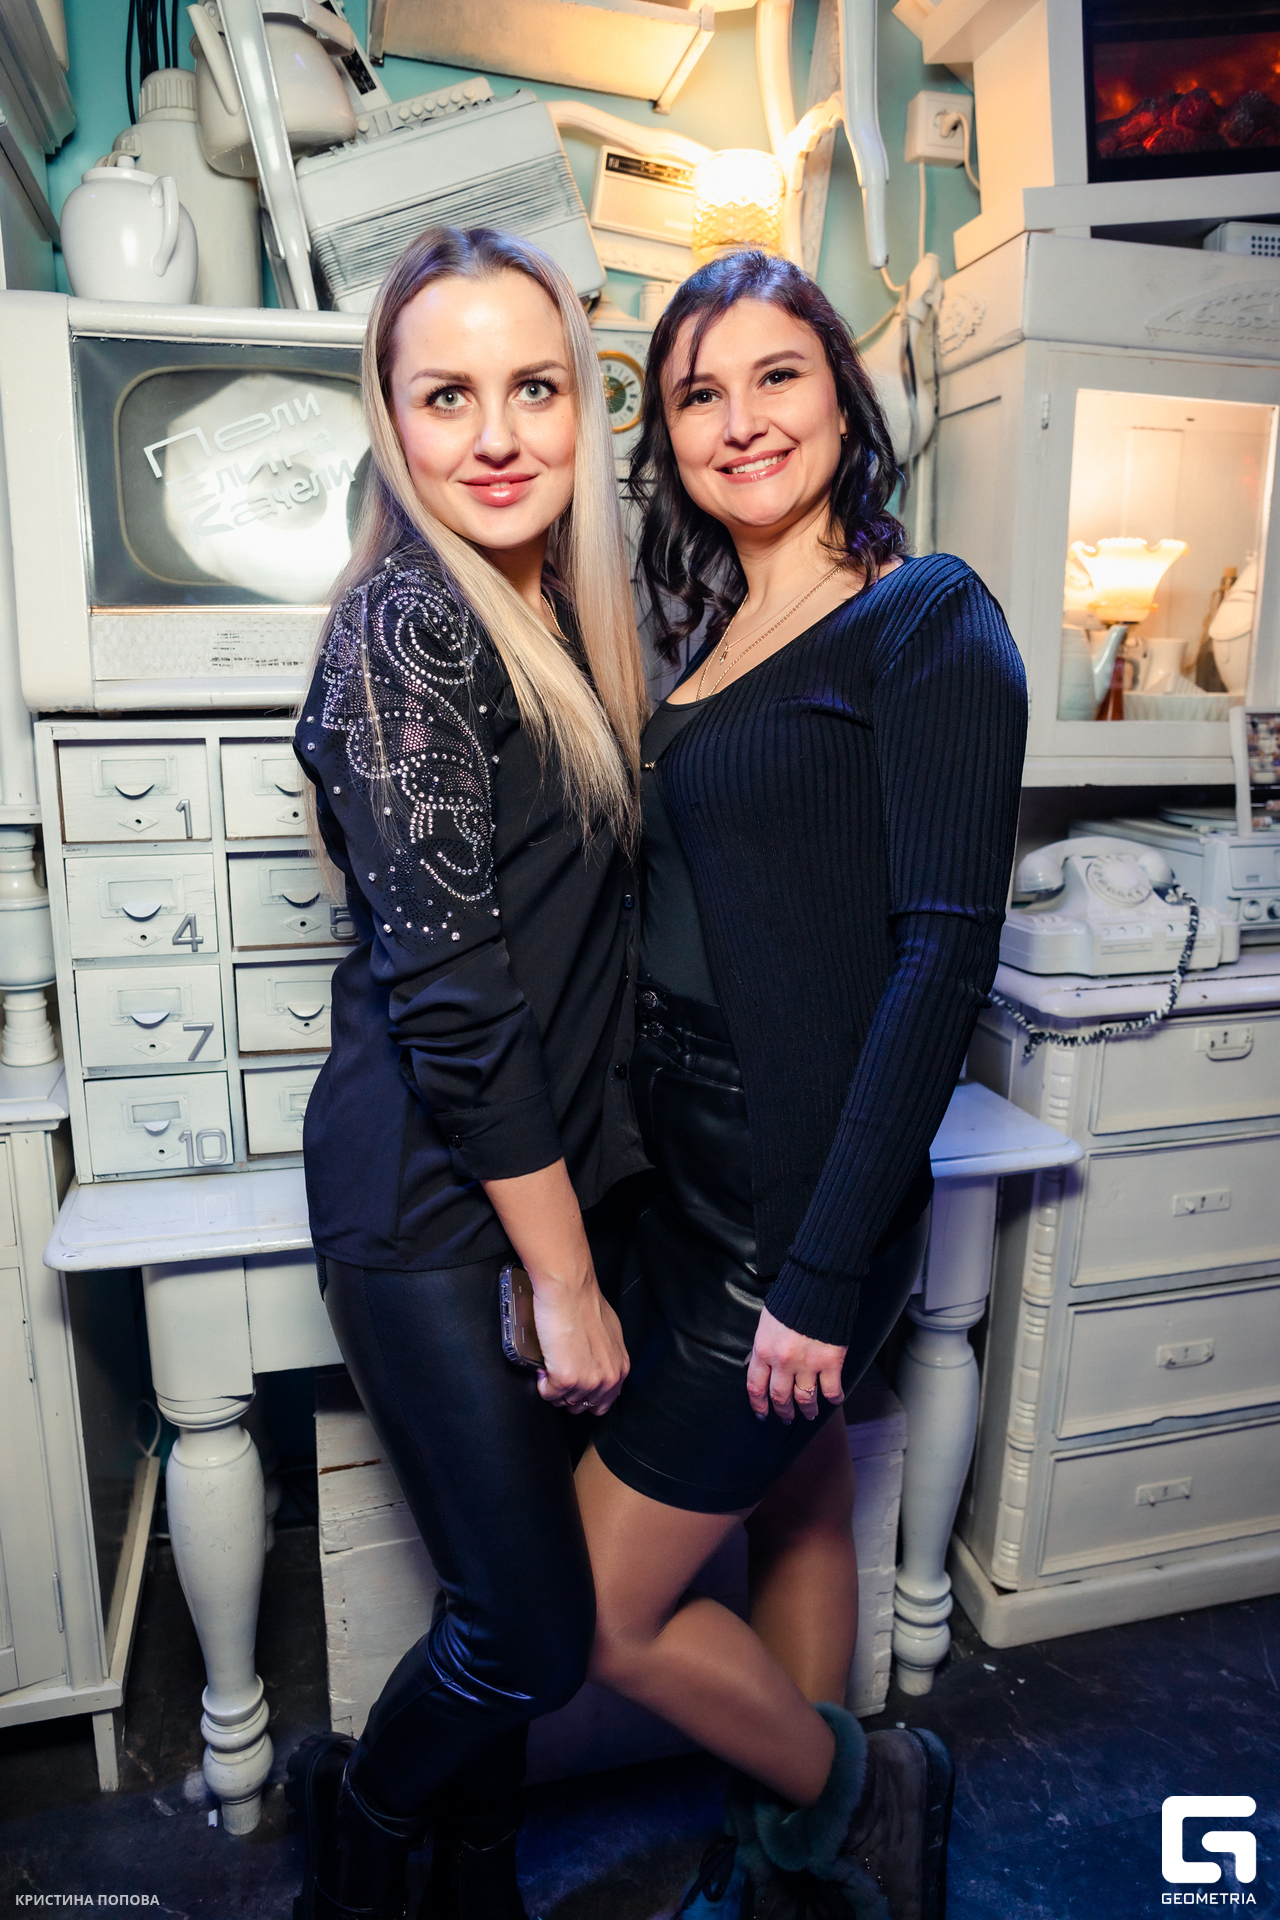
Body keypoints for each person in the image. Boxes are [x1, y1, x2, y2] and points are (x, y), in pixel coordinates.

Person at [575, 250, 1027, 1920]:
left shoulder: (929, 615)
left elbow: (942, 959)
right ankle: (799, 1860)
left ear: (844, 394)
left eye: (778, 374)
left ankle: (857, 1784)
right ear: (670, 436)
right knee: (803, 1500)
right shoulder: (710, 636)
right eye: (700, 392)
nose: (742, 419)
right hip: (688, 1165)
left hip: (794, 1187)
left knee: (595, 1611)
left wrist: (826, 1267)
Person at [286, 225, 650, 1920]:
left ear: (583, 408)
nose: (497, 436)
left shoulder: (551, 612)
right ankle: (356, 1840)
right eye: (448, 396)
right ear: (392, 419)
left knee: (495, 1611)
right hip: (435, 1206)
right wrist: (563, 1281)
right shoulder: (407, 627)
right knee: (531, 1632)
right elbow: (454, 1001)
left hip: (532, 1188)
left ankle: (474, 1883)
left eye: (535, 389)